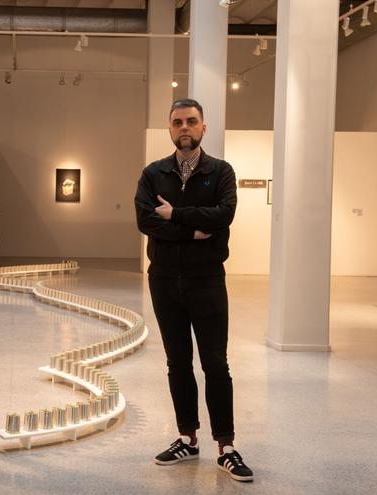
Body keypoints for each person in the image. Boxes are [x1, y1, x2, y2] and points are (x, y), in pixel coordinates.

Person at [134, 99, 253, 482]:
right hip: (164, 280)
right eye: (177, 122)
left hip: (207, 280)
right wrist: (190, 230)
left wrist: (176, 214)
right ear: (170, 129)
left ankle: (226, 446)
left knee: (215, 363)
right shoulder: (154, 174)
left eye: (191, 121)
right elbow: (145, 220)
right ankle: (187, 437)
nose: (184, 127)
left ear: (203, 128)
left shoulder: (220, 171)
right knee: (177, 362)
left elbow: (224, 216)